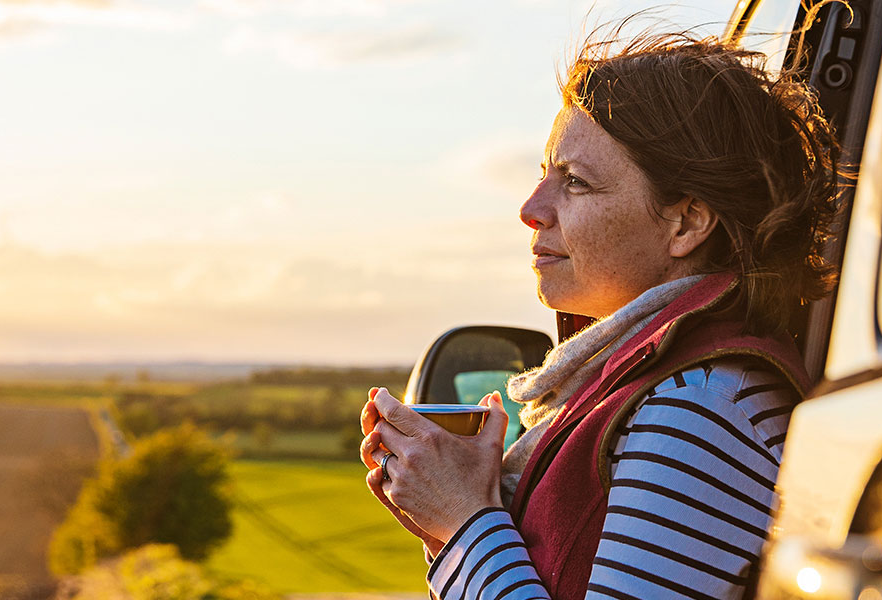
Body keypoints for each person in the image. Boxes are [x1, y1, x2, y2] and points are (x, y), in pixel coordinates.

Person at [358, 29, 847, 600]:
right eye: (544, 173)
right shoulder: (667, 383)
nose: (532, 208)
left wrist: (464, 520)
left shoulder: (700, 404)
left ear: (687, 223)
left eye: (575, 182)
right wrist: (456, 514)